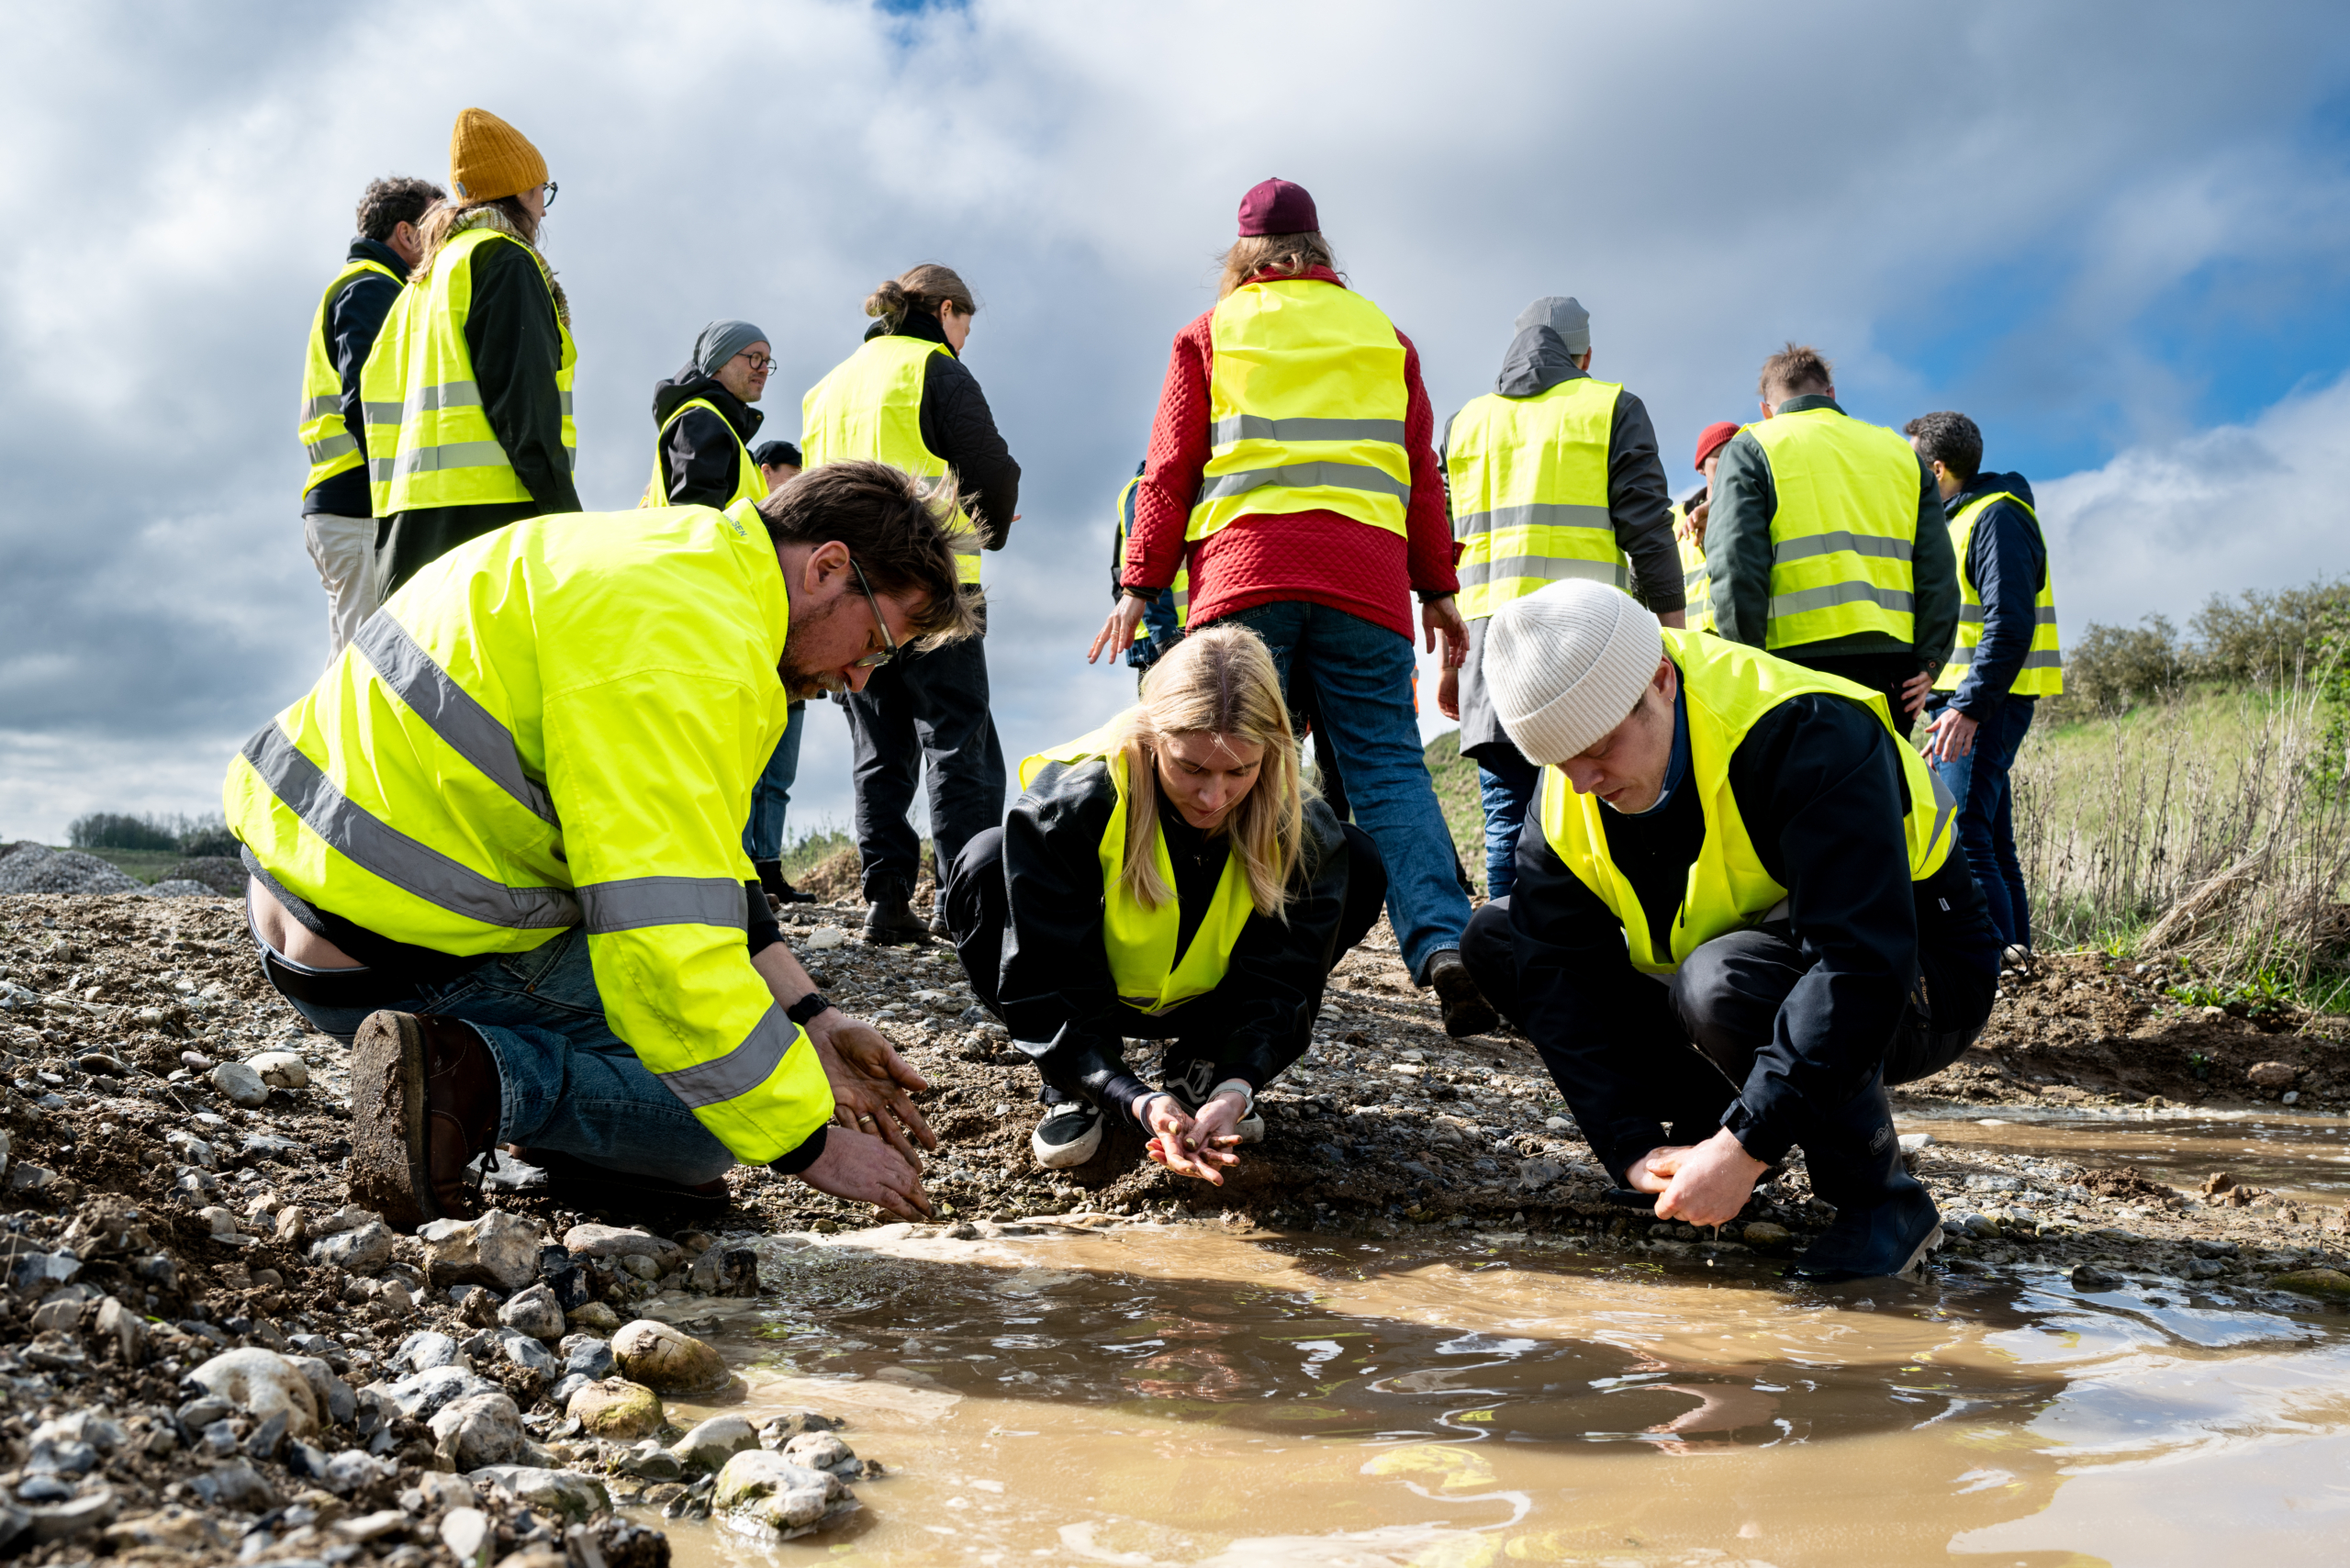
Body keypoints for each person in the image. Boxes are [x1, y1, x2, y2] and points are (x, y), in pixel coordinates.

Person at [225, 463, 975, 1229]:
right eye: (879, 645)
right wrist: (809, 1143)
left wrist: (813, 1016)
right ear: (827, 567)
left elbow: (699, 861)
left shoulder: (672, 561)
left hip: (304, 892)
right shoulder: (692, 651)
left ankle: (532, 1111)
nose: (858, 678)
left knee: (753, 1050)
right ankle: (470, 1077)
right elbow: (664, 950)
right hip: (390, 946)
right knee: (708, 1126)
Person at [1458, 579, 1998, 1281]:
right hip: (1732, 973)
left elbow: (1861, 963)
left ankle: (1881, 1203)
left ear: (1661, 683)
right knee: (1500, 939)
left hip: (1919, 972)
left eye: (1599, 749)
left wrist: (1750, 1144)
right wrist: (1629, 1149)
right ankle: (1701, 1136)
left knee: (1721, 981)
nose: (1583, 782)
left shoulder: (1804, 731)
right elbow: (1555, 971)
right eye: (1560, 762)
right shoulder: (1570, 780)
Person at [1093, 177, 1495, 1037]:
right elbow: (1423, 476)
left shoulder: (1210, 332)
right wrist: (1440, 590)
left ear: (1242, 257)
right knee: (1388, 764)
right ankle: (1445, 945)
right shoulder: (1385, 336)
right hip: (1368, 578)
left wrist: (1137, 584)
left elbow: (1169, 469)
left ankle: (1230, 949)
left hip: (1247, 579)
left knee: (1227, 762)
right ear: (1320, 252)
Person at [944, 625, 1386, 1176]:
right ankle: (1075, 1083)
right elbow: (1041, 975)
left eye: (1239, 772)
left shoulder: (1296, 823)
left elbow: (1286, 977)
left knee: (1357, 859)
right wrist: (1126, 1094)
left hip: (1207, 1000)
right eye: (1191, 768)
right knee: (985, 863)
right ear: (1152, 739)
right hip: (1090, 996)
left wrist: (1237, 1084)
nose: (1214, 796)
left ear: (1270, 753)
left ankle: (1204, 1065)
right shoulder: (1070, 807)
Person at [1435, 296, 1683, 902]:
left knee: (1507, 820)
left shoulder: (1466, 423)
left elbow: (1444, 554)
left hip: (1489, 651)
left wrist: (1448, 666)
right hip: (1589, 646)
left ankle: (1506, 970)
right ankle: (1593, 973)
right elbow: (1647, 531)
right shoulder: (1610, 407)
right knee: (1601, 815)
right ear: (1585, 357)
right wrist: (1676, 635)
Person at [801, 264, 1019, 944]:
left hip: (849, 597)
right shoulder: (938, 369)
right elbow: (993, 472)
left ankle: (886, 899)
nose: (965, 340)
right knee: (958, 741)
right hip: (935, 587)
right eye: (966, 325)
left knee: (878, 744)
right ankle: (968, 903)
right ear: (946, 311)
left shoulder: (826, 389)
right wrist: (994, 530)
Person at [364, 107, 580, 599]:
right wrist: (567, 519)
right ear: (523, 190)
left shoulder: (421, 284)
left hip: (407, 529)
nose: (544, 210)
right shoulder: (503, 259)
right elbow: (524, 404)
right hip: (490, 523)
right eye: (542, 192)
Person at [1703, 344, 1958, 728]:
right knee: (1883, 786)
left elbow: (1736, 564)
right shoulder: (1900, 454)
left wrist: (1748, 661)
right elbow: (1936, 567)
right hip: (1892, 669)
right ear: (1832, 393)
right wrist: (1931, 660)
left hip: (1792, 668)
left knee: (1802, 788)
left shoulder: (1753, 448)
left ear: (1766, 409)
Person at [1906, 410, 2060, 965]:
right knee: (1991, 835)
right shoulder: (1961, 516)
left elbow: (2010, 621)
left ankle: (1991, 963)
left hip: (1986, 701)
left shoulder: (1997, 517)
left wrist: (1969, 706)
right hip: (1968, 696)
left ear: (1938, 467)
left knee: (1966, 830)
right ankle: (2016, 957)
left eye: (1914, 463)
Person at [297, 174, 442, 664]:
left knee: (354, 665)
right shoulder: (374, 289)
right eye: (435, 225)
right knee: (368, 670)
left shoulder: (361, 284)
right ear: (406, 234)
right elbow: (370, 400)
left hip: (342, 501)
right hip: (360, 503)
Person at [643, 320, 773, 508]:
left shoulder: (718, 424)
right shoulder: (702, 421)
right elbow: (695, 520)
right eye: (755, 358)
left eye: (767, 362)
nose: (764, 369)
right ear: (720, 360)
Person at [1113, 460, 1187, 679]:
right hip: (1166, 637)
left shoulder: (1162, 485)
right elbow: (1143, 567)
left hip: (1167, 633)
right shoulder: (1149, 487)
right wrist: (1166, 639)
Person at [1675, 420, 1740, 636]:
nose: (1731, 460)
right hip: (1693, 642)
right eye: (1721, 453)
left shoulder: (1761, 509)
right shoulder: (1673, 519)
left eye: (1737, 450)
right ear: (1701, 467)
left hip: (1741, 634)